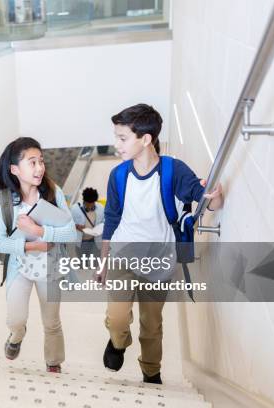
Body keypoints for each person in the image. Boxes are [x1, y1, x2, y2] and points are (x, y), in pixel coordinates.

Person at [99, 104, 223, 384]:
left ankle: (151, 372)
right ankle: (118, 343)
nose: (117, 144)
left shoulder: (173, 171)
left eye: (122, 138)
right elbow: (111, 219)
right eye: (116, 137)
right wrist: (103, 262)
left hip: (158, 261)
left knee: (151, 325)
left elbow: (205, 198)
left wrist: (214, 197)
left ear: (145, 139)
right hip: (122, 257)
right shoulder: (118, 176)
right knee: (117, 319)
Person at [0, 137, 79, 373]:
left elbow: (70, 232)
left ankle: (53, 362)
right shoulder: (5, 201)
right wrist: (31, 245)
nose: (40, 168)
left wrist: (38, 231)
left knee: (51, 322)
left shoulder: (52, 192)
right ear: (15, 169)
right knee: (15, 319)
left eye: (41, 161)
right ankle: (17, 336)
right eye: (32, 162)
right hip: (20, 268)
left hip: (49, 269)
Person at [70, 187, 104, 255]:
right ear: (84, 201)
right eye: (88, 203)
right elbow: (68, 223)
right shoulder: (75, 209)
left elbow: (104, 221)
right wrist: (76, 226)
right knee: (82, 260)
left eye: (92, 203)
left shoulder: (100, 208)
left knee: (94, 260)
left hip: (95, 240)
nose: (90, 206)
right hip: (81, 241)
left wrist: (101, 228)